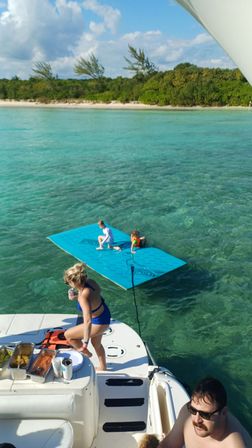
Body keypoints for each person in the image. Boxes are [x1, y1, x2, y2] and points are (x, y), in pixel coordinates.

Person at [157, 377, 252, 448]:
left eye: (205, 415)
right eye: (193, 410)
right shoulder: (187, 413)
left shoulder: (234, 444)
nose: (197, 420)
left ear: (223, 413)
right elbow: (168, 445)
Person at [64, 262, 111, 371]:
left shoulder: (83, 297)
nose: (68, 284)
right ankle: (103, 367)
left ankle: (87, 355)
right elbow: (95, 295)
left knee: (68, 335)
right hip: (104, 314)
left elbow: (88, 321)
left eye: (68, 282)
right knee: (96, 344)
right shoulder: (91, 282)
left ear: (74, 281)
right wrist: (76, 296)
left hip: (98, 323)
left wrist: (85, 343)